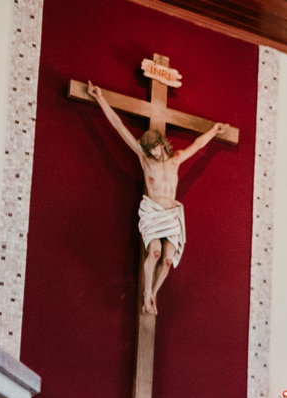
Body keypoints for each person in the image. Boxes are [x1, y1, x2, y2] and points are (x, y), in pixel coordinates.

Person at [87, 81, 227, 314]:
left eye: (154, 149)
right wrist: (100, 98)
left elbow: (197, 144)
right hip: (153, 212)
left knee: (169, 260)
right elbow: (119, 127)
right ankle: (146, 293)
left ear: (162, 145)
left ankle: (153, 294)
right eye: (148, 150)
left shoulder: (176, 160)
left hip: (170, 213)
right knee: (155, 252)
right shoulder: (144, 158)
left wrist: (214, 130)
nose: (152, 153)